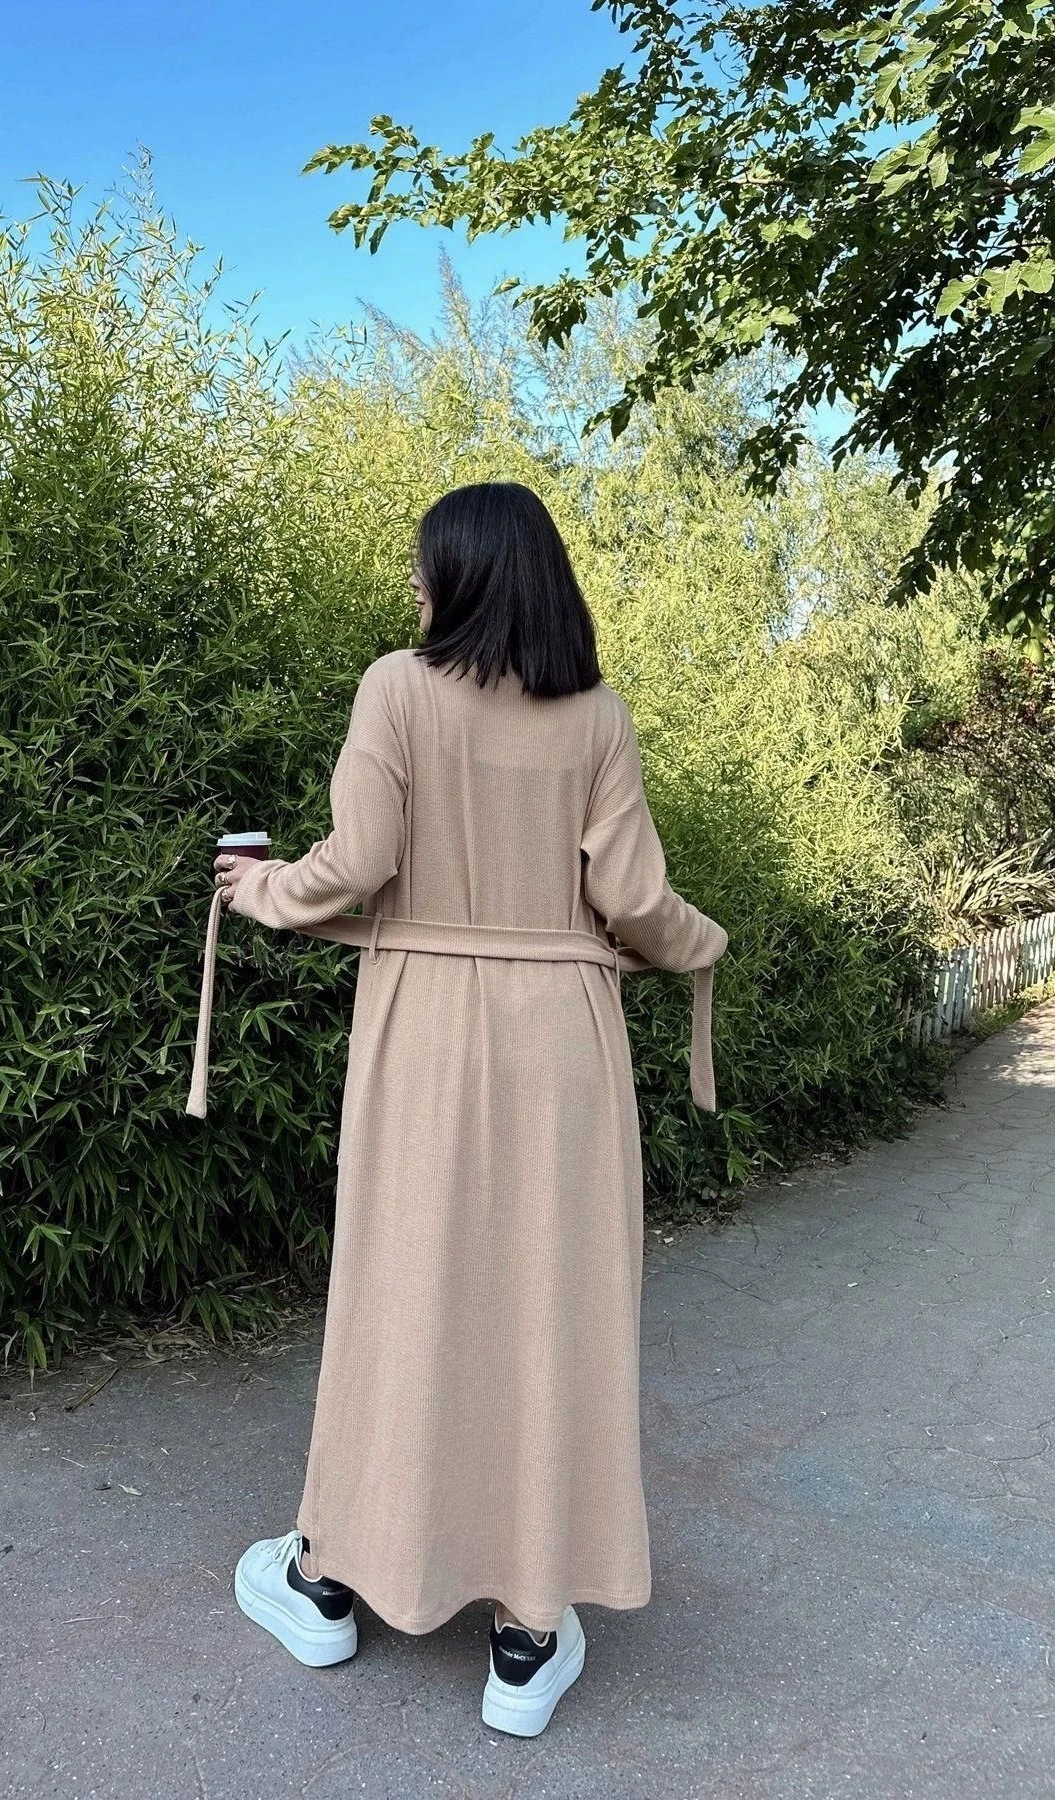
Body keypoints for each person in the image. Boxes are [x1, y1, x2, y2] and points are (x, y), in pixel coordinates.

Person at [213, 480, 729, 1738]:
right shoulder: (598, 717)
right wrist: (699, 943)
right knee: (552, 1306)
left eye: (424, 565)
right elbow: (637, 900)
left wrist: (261, 890)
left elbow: (359, 862)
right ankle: (527, 1633)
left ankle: (328, 1581)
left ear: (465, 577)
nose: (414, 587)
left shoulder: (396, 689)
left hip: (427, 1033)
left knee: (402, 1290)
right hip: (564, 1041)